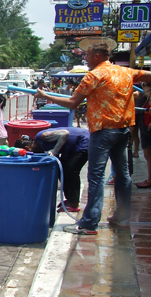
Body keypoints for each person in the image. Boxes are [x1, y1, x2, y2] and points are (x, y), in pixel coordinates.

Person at [35, 43, 151, 235]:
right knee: (123, 175)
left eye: (87, 56)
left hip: (103, 130)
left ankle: (89, 224)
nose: (86, 59)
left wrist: (46, 95)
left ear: (97, 56)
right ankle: (122, 218)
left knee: (95, 177)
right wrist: (132, 94)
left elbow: (73, 103)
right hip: (123, 130)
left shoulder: (94, 75)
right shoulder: (124, 72)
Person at [15, 127, 89, 212]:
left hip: (84, 141)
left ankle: (74, 203)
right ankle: (69, 199)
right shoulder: (42, 147)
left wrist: (55, 150)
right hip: (72, 147)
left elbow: (65, 134)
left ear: (28, 148)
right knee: (61, 168)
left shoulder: (42, 137)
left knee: (71, 169)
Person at [136, 83, 151, 188]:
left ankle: (150, 180)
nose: (143, 87)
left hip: (148, 129)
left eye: (145, 85)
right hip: (145, 127)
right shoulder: (147, 97)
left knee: (148, 156)